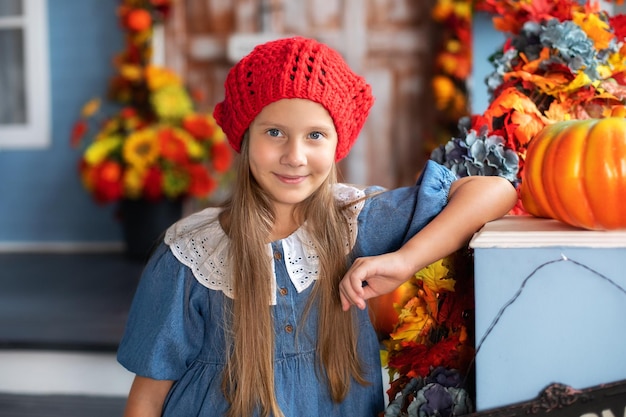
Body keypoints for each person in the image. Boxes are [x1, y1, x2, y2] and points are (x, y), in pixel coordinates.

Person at [117, 36, 518, 417]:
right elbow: (147, 398)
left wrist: (404, 260)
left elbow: (495, 190)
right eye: (274, 133)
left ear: (336, 144)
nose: (295, 156)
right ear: (244, 136)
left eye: (315, 135)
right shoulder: (192, 255)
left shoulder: (355, 220)